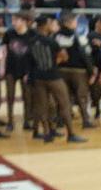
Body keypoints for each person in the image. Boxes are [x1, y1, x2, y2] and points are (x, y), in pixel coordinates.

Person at [28, 13, 86, 144]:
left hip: (38, 76)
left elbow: (30, 60)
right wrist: (54, 62)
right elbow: (64, 56)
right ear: (44, 26)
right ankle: (71, 134)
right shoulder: (51, 41)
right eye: (50, 23)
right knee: (64, 103)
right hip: (53, 76)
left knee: (43, 106)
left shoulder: (31, 41)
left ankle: (47, 133)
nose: (52, 25)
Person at [2, 9, 34, 131]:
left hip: (26, 68)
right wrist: (2, 67)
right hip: (11, 67)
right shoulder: (9, 33)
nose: (13, 22)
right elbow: (4, 50)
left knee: (27, 96)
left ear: (24, 21)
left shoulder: (32, 34)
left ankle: (27, 120)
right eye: (12, 20)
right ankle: (10, 121)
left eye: (16, 20)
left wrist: (31, 70)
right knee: (10, 96)